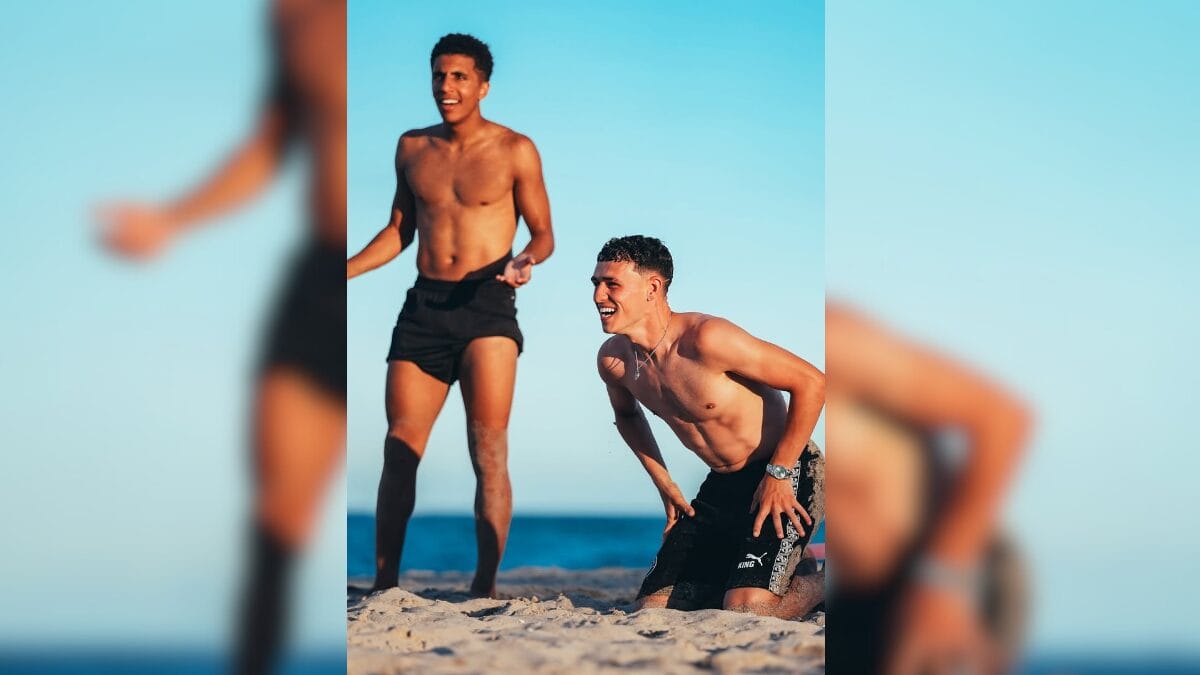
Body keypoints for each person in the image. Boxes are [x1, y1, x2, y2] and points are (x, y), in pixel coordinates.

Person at [96, 1, 347, 673]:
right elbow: (270, 146)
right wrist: (170, 219)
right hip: (320, 281)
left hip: (391, 270)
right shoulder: (294, 18)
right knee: (280, 516)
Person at [346, 33, 554, 598]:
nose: (447, 86)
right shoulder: (412, 148)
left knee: (487, 450)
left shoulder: (516, 149)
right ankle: (384, 582)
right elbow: (397, 232)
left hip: (488, 304)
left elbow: (543, 234)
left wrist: (526, 260)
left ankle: (484, 584)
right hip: (425, 307)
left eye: (460, 76)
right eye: (439, 75)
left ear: (483, 85)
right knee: (399, 449)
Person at [591, 235, 825, 618]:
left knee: (749, 610)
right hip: (722, 484)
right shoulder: (615, 362)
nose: (599, 296)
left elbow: (813, 382)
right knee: (652, 608)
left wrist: (779, 473)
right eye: (596, 284)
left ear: (653, 288)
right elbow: (629, 416)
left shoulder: (706, 339)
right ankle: (779, 568)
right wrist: (665, 484)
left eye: (611, 284)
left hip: (787, 468)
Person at [824, 301, 1030, 674]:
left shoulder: (838, 342)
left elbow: (1003, 418)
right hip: (861, 600)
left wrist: (943, 582)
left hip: (949, 572)